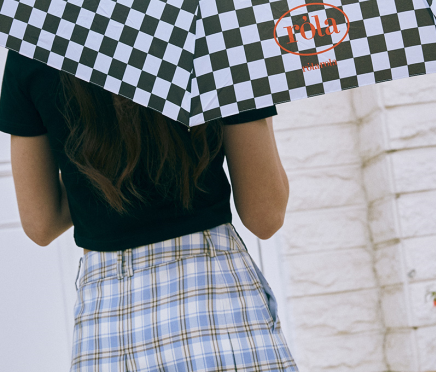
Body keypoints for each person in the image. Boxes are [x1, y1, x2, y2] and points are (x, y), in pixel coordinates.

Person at [0, 49, 298, 371]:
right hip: (217, 296)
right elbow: (265, 214)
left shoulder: (35, 46)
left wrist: (93, 169)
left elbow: (40, 223)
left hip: (107, 318)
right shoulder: (213, 30)